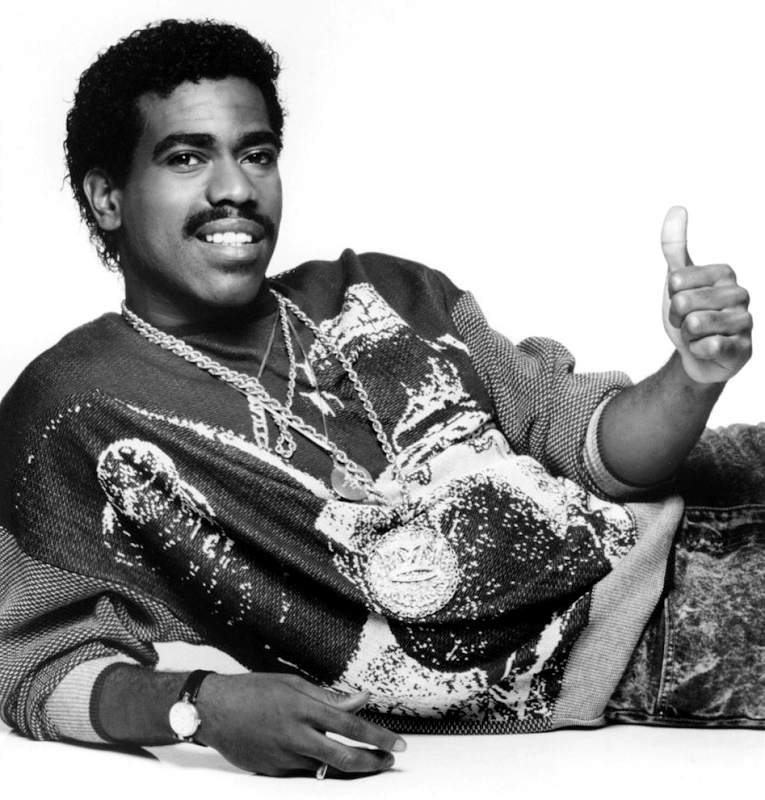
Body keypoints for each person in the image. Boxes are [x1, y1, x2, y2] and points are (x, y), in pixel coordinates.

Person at [0, 18, 761, 780]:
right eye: (186, 157)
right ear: (107, 197)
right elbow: (30, 666)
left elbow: (593, 449)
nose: (236, 190)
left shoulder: (383, 289)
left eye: (256, 154)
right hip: (672, 636)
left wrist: (691, 373)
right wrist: (201, 707)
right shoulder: (75, 408)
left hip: (718, 487)